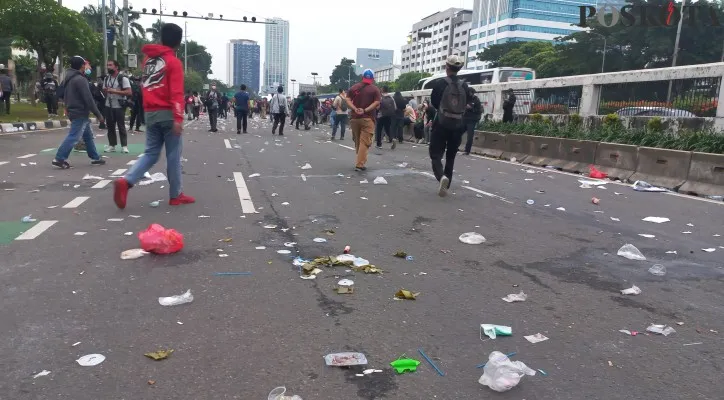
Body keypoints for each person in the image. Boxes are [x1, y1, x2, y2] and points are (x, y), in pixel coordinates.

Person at [113, 23, 194, 209]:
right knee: (173, 155)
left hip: (150, 113)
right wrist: (178, 118)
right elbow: (176, 93)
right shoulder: (173, 63)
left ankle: (127, 181)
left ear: (161, 38)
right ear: (179, 43)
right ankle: (176, 195)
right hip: (167, 113)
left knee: (150, 153)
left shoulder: (148, 61)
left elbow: (146, 86)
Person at [51, 56, 106, 169]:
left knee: (88, 136)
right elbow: (88, 99)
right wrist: (99, 115)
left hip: (73, 109)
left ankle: (95, 157)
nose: (87, 66)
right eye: (85, 64)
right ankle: (59, 158)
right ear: (82, 66)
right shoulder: (80, 79)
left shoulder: (68, 78)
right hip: (79, 111)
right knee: (74, 136)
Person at [429, 55, 471, 197]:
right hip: (458, 125)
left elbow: (434, 102)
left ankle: (442, 177)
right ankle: (446, 185)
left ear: (447, 67)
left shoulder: (440, 83)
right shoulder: (464, 85)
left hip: (441, 123)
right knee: (451, 156)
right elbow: (468, 103)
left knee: (436, 155)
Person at [345, 69, 381, 172]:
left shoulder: (353, 87)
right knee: (364, 142)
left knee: (357, 140)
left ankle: (360, 158)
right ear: (373, 78)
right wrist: (365, 110)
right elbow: (376, 103)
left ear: (362, 77)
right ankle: (360, 164)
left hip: (354, 119)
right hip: (367, 118)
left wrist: (354, 108)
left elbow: (347, 99)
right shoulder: (375, 89)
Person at [103, 60, 132, 153]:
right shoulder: (106, 78)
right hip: (108, 105)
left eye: (110, 65)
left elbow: (129, 92)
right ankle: (112, 145)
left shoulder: (123, 78)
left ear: (116, 67)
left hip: (119, 105)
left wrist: (115, 91)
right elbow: (104, 90)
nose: (108, 67)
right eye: (108, 65)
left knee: (121, 126)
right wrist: (106, 90)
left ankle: (124, 146)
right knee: (110, 126)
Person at [462, 87, 483, 155]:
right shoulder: (466, 99)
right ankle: (454, 146)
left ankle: (467, 151)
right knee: (457, 132)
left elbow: (479, 110)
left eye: (469, 92)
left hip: (472, 120)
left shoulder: (476, 100)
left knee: (470, 136)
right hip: (465, 119)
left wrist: (471, 108)